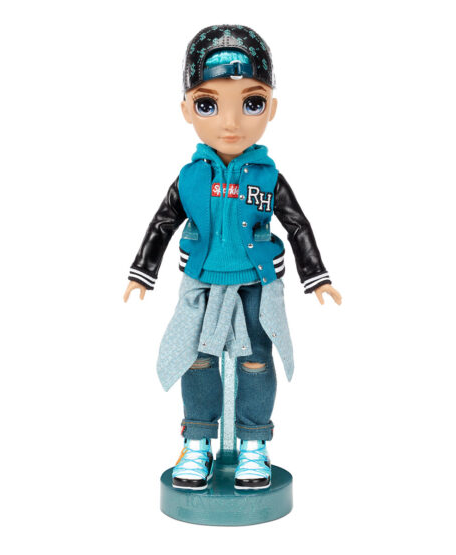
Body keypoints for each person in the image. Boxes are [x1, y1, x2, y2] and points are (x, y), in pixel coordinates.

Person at [123, 24, 341, 491]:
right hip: (201, 283)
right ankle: (197, 440)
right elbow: (163, 223)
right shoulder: (190, 178)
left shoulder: (268, 177)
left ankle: (253, 443)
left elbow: (297, 224)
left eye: (251, 103)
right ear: (187, 109)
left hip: (255, 286)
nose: (230, 122)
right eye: (208, 104)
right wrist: (143, 271)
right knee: (197, 359)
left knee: (255, 361)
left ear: (271, 108)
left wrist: (316, 275)